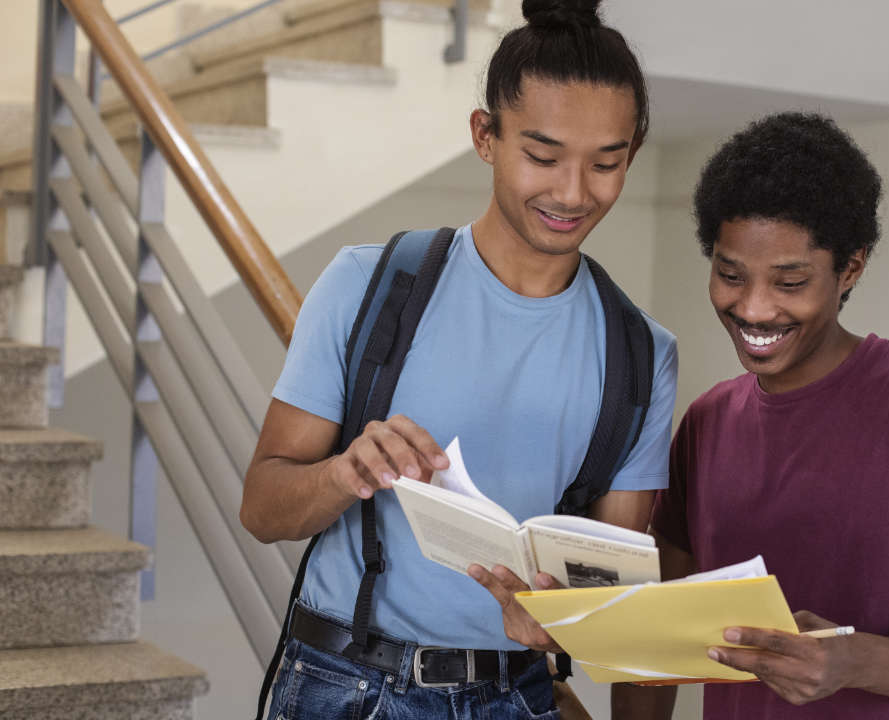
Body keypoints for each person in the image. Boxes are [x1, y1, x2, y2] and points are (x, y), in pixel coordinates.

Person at [483, 112, 889, 719]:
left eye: (790, 281)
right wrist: (569, 619)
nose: (755, 308)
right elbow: (655, 645)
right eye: (730, 274)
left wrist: (852, 661)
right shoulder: (708, 422)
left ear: (850, 268)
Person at [239, 1, 677, 717]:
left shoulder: (641, 353)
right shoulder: (366, 284)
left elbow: (614, 588)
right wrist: (345, 473)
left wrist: (568, 620)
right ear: (485, 135)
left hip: (519, 694)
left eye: (607, 164)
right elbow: (262, 509)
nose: (573, 193)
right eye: (543, 156)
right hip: (346, 687)